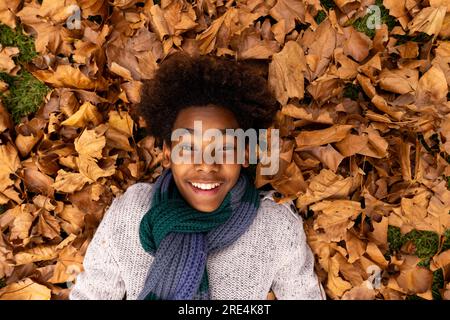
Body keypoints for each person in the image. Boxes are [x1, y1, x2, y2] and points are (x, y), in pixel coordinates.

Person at [69, 52, 325, 300]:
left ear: (245, 154)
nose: (206, 164)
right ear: (167, 154)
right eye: (188, 147)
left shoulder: (275, 227)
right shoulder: (132, 212)